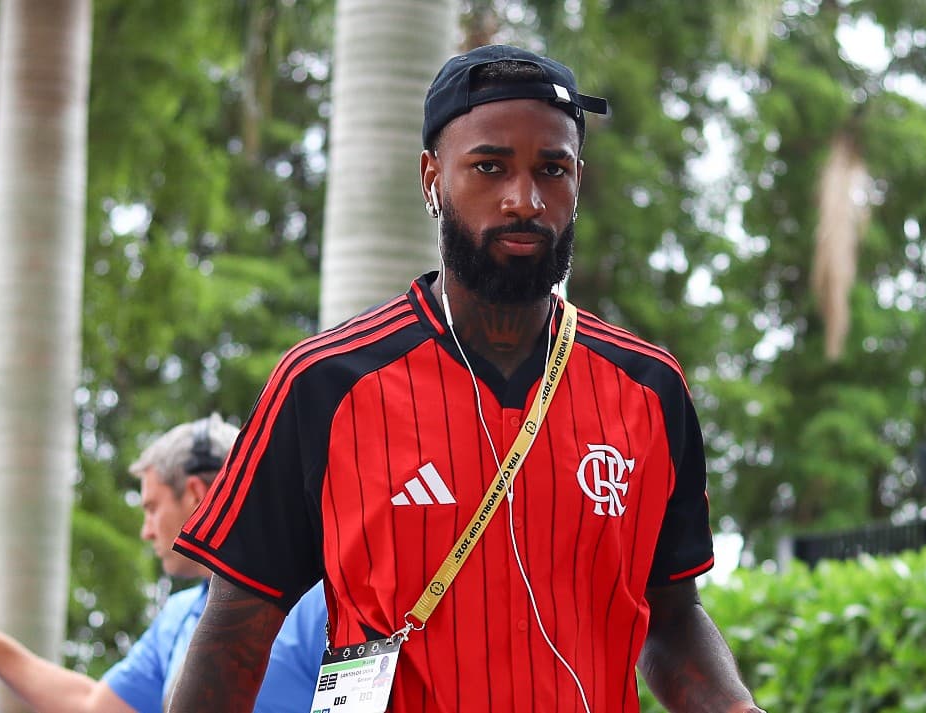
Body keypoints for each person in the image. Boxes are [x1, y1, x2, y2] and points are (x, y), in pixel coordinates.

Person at [170, 45, 764, 713]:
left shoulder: (650, 390)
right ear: (432, 178)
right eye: (489, 166)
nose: (524, 199)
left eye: (553, 169)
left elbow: (673, 615)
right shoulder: (324, 385)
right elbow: (233, 637)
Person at [0, 414, 326, 713]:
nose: (146, 531)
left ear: (195, 494)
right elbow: (90, 704)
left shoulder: (315, 598)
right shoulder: (178, 615)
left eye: (152, 508)